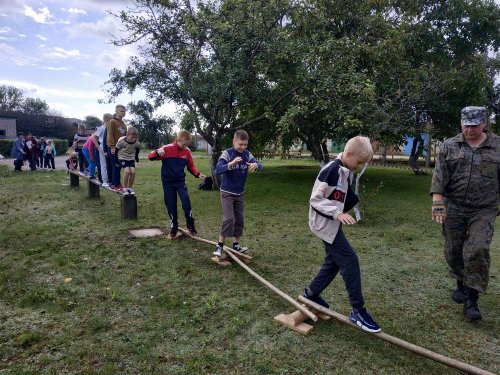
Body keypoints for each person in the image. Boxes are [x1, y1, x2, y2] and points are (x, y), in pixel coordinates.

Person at [301, 136, 381, 333]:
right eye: (359, 162)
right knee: (350, 260)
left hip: (333, 223)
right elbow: (315, 199)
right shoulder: (331, 171)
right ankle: (358, 311)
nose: (360, 166)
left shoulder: (347, 170)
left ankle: (311, 294)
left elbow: (341, 195)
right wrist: (338, 213)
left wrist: (345, 208)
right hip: (324, 224)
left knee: (333, 262)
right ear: (348, 154)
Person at [430, 106, 499, 321]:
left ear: (484, 124)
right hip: (455, 207)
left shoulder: (497, 146)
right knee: (453, 250)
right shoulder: (450, 145)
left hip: (484, 209)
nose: (469, 129)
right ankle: (461, 281)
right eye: (466, 125)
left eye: (474, 125)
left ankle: (472, 298)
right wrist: (438, 204)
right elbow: (440, 176)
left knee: (478, 249)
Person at [213, 130, 262, 258]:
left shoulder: (247, 154)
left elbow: (260, 165)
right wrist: (231, 164)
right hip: (227, 192)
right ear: (234, 141)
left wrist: (255, 165)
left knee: (239, 220)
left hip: (240, 193)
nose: (243, 147)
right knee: (229, 219)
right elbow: (217, 169)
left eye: (245, 144)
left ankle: (236, 245)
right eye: (241, 144)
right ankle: (219, 245)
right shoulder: (227, 153)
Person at [147, 130, 206, 238]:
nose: (185, 146)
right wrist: (157, 152)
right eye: (184, 144)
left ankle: (190, 226)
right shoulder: (166, 148)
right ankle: (174, 227)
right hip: (168, 183)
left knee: (186, 203)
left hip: (180, 182)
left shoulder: (187, 151)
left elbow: (191, 166)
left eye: (187, 144)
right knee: (171, 205)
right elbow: (149, 156)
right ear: (177, 140)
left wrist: (197, 174)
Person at [106, 105, 127, 191]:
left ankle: (116, 182)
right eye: (121, 111)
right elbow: (110, 135)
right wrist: (112, 147)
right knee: (115, 166)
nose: (123, 112)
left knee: (119, 166)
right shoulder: (112, 122)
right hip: (113, 148)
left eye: (124, 111)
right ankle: (115, 184)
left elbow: (125, 136)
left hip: (121, 148)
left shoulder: (124, 124)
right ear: (117, 112)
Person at [115, 127, 141, 195]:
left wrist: (136, 157)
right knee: (127, 172)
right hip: (122, 157)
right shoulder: (122, 141)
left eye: (135, 137)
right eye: (132, 137)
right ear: (127, 135)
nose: (133, 139)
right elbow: (116, 150)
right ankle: (124, 188)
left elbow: (138, 149)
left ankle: (129, 188)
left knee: (133, 172)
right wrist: (116, 160)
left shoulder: (136, 142)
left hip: (131, 158)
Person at [93, 113, 112, 187]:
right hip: (102, 148)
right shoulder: (102, 128)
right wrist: (98, 147)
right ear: (107, 120)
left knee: (109, 164)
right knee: (103, 165)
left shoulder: (109, 128)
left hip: (108, 147)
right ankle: (105, 181)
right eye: (111, 120)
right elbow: (93, 137)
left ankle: (110, 180)